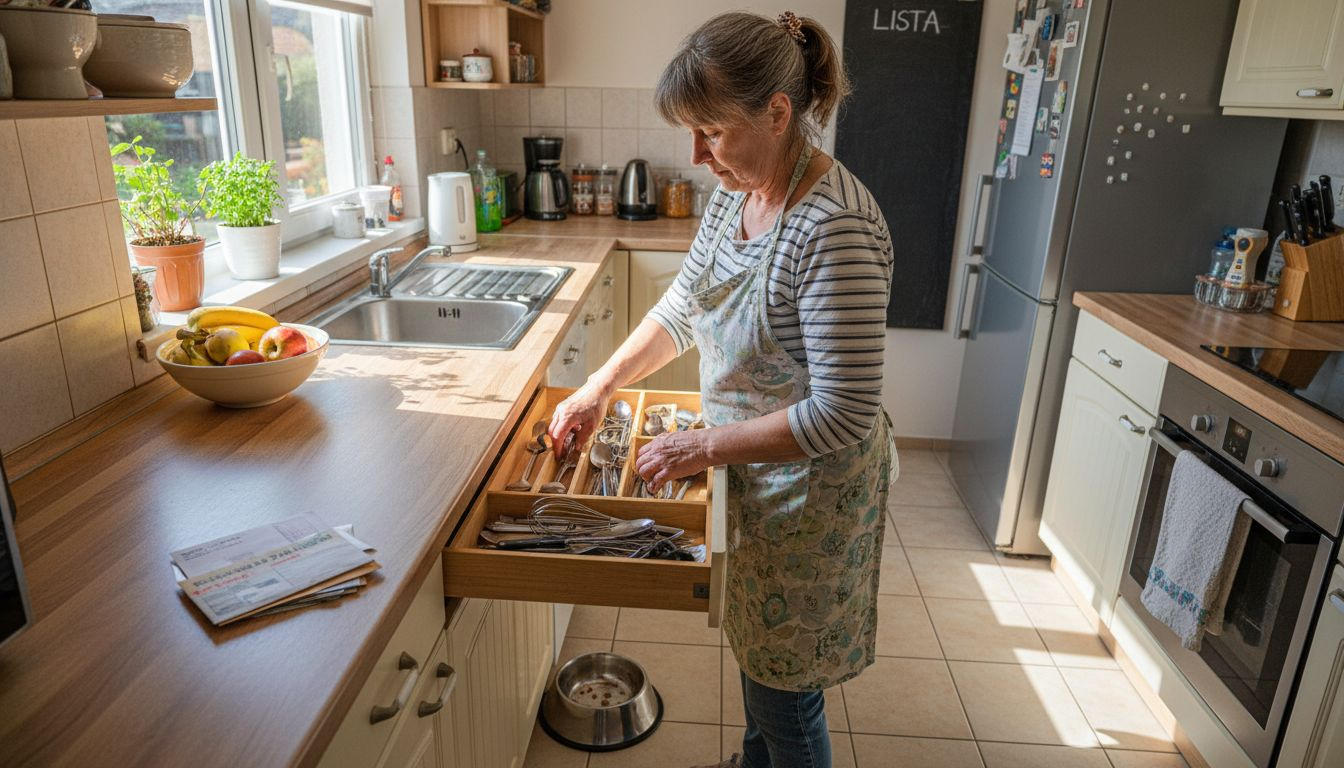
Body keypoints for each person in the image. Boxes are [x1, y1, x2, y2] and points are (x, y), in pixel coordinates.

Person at [548, 10, 897, 768]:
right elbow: (684, 308)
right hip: (748, 475)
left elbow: (843, 412)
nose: (698, 154)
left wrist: (704, 445)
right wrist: (598, 386)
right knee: (758, 653)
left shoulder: (832, 227)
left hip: (808, 498)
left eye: (712, 131)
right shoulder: (734, 194)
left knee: (786, 688)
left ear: (777, 113)